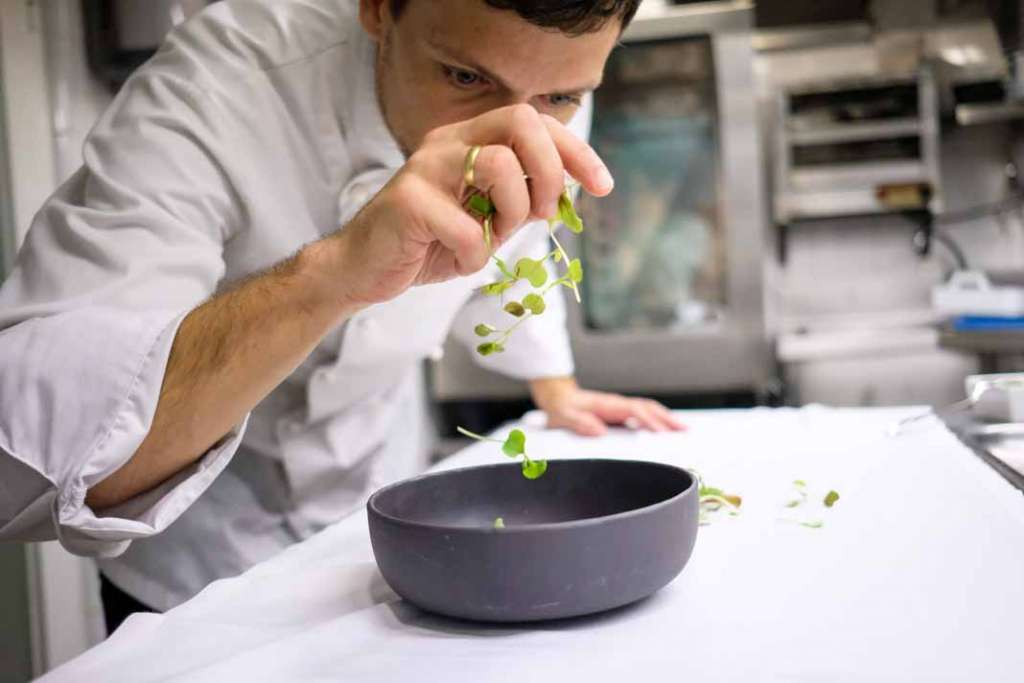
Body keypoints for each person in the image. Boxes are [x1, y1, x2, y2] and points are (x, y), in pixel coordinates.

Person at [0, 0, 684, 634]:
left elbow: (516, 250)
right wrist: (333, 274)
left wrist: (554, 387)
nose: (518, 127)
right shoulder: (214, 86)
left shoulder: (541, 90)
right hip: (188, 563)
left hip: (379, 528)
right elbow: (42, 453)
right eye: (463, 75)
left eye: (561, 97)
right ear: (379, 8)